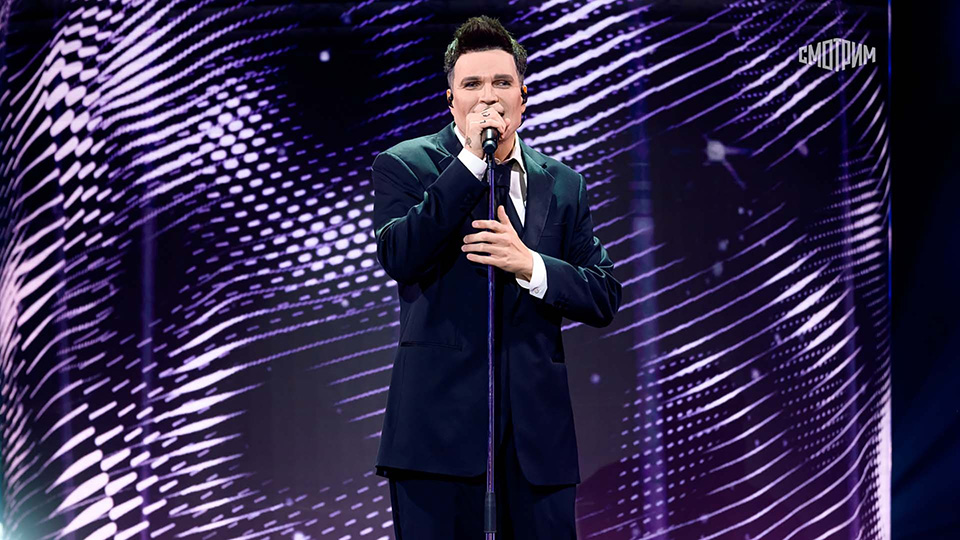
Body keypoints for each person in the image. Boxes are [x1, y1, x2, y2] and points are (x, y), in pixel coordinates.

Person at [371, 15, 622, 539]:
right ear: (451, 101)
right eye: (473, 85)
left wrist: (531, 264)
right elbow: (400, 255)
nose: (488, 97)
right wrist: (469, 164)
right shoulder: (405, 165)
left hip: (537, 449)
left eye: (502, 83)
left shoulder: (564, 184)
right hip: (435, 443)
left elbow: (603, 293)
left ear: (523, 98)